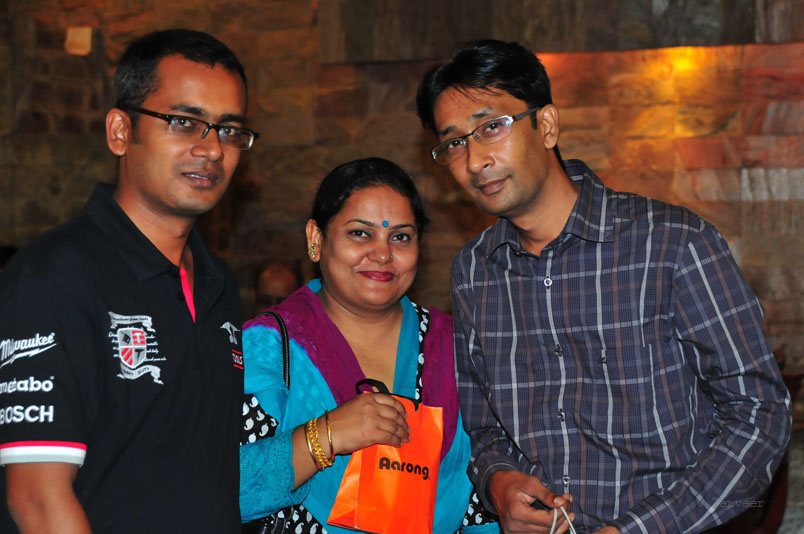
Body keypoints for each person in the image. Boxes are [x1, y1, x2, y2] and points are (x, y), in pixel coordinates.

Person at [416, 39, 792, 534]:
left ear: (546, 125)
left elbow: (761, 416)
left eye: (491, 127)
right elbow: (485, 427)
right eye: (454, 143)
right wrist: (499, 480)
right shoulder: (474, 271)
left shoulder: (673, 243)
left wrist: (639, 528)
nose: (474, 160)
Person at [0, 29, 258, 533]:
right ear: (120, 131)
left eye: (229, 130)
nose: (212, 149)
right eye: (184, 122)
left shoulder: (217, 283)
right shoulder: (54, 279)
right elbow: (38, 502)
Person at [239, 157, 498, 533]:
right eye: (360, 233)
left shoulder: (457, 347)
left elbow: (484, 501)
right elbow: (219, 488)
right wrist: (324, 435)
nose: (382, 254)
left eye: (401, 237)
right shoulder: (268, 347)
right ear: (316, 239)